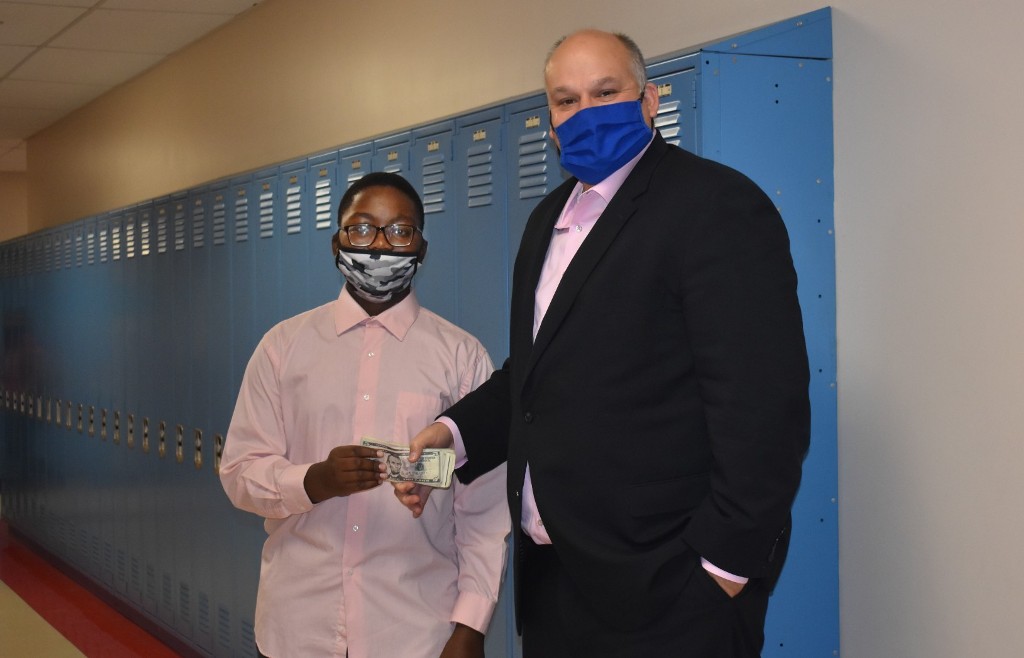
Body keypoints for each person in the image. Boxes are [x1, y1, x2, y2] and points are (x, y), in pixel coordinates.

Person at [395, 29, 810, 657]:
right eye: (566, 100)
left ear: (649, 100)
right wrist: (450, 436)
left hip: (668, 590)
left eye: (606, 92)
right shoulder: (548, 220)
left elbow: (763, 403)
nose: (585, 112)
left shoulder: (714, 206)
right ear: (551, 121)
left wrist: (723, 568)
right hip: (555, 584)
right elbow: (533, 377)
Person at [220, 172, 509, 658]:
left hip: (415, 631)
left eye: (399, 231)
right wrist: (314, 481)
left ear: (421, 248)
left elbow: (483, 508)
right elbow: (239, 474)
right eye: (361, 228)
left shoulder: (462, 358)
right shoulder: (282, 348)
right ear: (337, 242)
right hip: (298, 627)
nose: (379, 244)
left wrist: (471, 626)